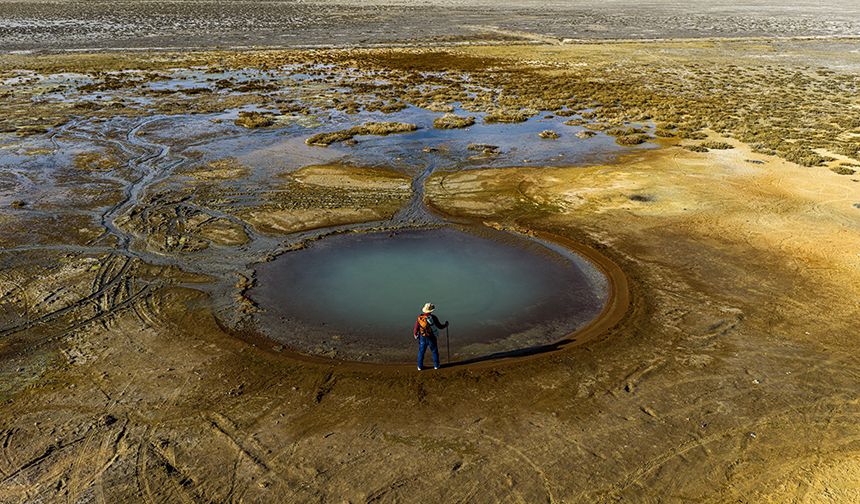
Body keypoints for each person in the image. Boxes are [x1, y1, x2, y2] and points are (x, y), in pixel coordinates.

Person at [414, 302, 448, 370]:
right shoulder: (433, 317)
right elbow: (440, 326)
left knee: (421, 352)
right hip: (431, 337)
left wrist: (415, 334)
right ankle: (436, 365)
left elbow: (416, 328)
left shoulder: (420, 318)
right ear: (431, 310)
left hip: (422, 337)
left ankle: (420, 367)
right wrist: (446, 325)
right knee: (434, 351)